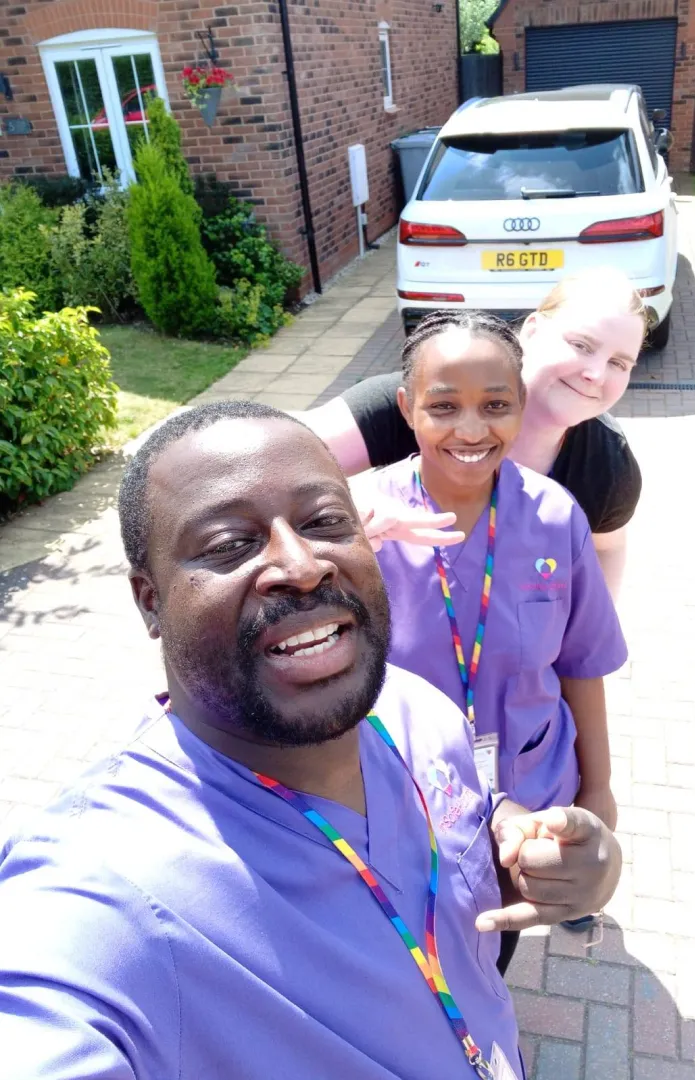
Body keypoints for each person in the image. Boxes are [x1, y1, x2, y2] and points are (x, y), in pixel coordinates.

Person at [0, 402, 621, 1080]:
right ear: (150, 600)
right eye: (229, 544)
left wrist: (545, 852)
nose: (300, 565)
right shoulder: (102, 888)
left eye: (325, 521)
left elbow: (464, 820)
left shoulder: (414, 709)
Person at [359, 312, 626, 969]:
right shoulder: (362, 523)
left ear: (521, 406)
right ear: (407, 407)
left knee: (491, 942)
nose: (472, 430)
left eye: (496, 405)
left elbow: (580, 663)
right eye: (443, 406)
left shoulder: (554, 515)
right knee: (408, 956)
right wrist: (347, 544)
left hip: (529, 791)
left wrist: (597, 788)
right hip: (405, 800)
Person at [297, 268, 647, 597]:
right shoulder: (425, 402)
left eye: (619, 363)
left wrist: (587, 638)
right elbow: (271, 456)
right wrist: (348, 508)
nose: (596, 374)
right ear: (533, 330)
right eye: (582, 345)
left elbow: (608, 547)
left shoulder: (607, 464)